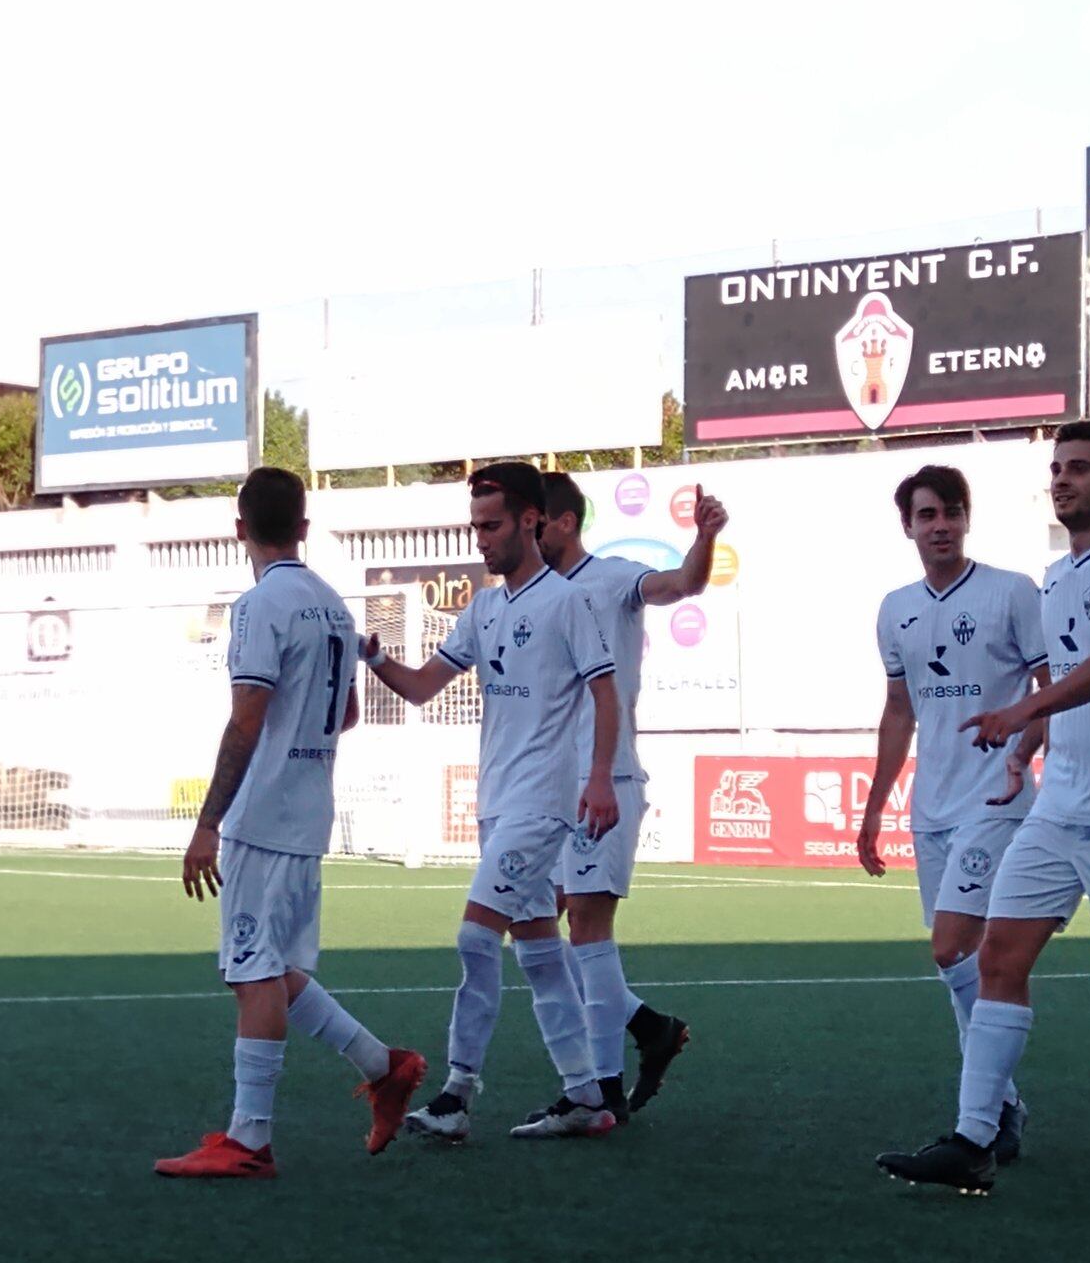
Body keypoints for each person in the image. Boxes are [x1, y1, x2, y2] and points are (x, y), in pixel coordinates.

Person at [877, 421, 1090, 1197]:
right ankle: (974, 1139)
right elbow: (1061, 692)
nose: (1063, 480)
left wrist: (1019, 714)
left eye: (1080, 468)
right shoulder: (1055, 578)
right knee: (994, 957)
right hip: (1058, 806)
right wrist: (1023, 752)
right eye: (1057, 469)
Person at [156, 468, 426, 1179]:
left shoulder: (259, 605)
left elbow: (248, 715)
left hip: (264, 814)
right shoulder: (333, 606)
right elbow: (347, 716)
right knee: (273, 970)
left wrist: (207, 823)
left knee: (252, 976)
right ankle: (383, 1065)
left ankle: (250, 1140)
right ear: (304, 527)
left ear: (238, 528)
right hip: (309, 810)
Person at [363, 461, 623, 1140]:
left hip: (542, 804)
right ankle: (585, 1095)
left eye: (493, 524)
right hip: (498, 803)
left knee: (476, 938)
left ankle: (455, 1095)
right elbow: (422, 686)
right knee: (538, 952)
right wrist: (372, 656)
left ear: (531, 519)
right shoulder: (483, 608)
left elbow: (604, 692)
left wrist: (598, 777)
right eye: (475, 525)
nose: (481, 538)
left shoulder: (566, 602)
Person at [860, 465, 1050, 1165]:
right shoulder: (895, 608)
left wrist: (1020, 754)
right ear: (908, 525)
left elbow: (1048, 687)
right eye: (927, 513)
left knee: (949, 947)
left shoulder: (1011, 592)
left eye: (952, 512)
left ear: (967, 519)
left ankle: (987, 1114)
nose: (940, 524)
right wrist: (876, 808)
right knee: (958, 964)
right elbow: (899, 710)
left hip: (996, 802)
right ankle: (999, 1108)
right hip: (931, 808)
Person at [534, 471, 725, 1123]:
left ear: (563, 521)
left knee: (585, 926)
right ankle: (648, 1028)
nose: (528, 532)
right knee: (535, 927)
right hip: (552, 791)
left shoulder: (612, 578)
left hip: (605, 782)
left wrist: (703, 537)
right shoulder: (532, 597)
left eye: (537, 521)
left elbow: (682, 584)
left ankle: (602, 1089)